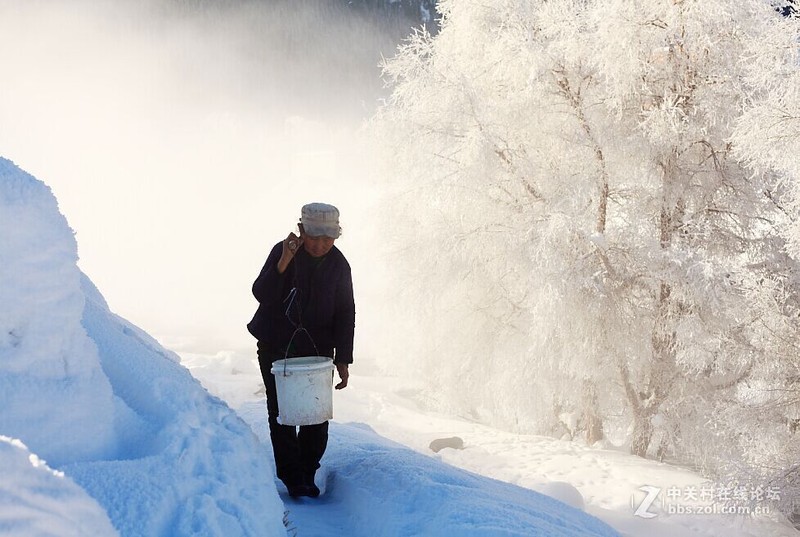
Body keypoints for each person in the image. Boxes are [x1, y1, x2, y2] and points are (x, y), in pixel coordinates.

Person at [247, 202, 355, 498]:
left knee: (316, 413)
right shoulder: (282, 252)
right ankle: (292, 478)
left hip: (316, 351)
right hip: (275, 345)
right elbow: (262, 295)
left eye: (328, 238)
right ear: (301, 230)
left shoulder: (338, 264)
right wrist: (284, 261)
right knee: (282, 412)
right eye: (314, 236)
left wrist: (343, 358)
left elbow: (346, 311)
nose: (320, 244)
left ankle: (308, 472)